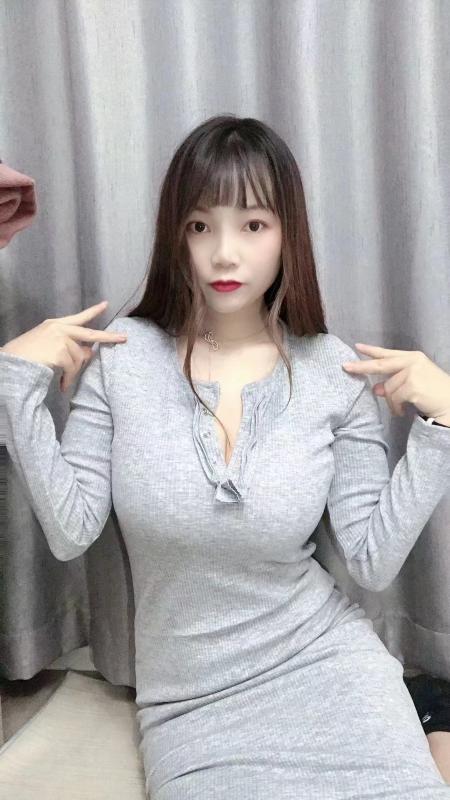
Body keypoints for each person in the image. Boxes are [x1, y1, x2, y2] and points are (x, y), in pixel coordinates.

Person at [1, 114, 450, 798]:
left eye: (253, 225)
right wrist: (15, 386)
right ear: (175, 235)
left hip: (329, 667)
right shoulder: (123, 359)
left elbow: (371, 559)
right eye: (200, 226)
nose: (224, 255)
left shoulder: (333, 372)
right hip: (192, 705)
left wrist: (443, 424)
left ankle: (422, 726)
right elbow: (70, 532)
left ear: (288, 234)